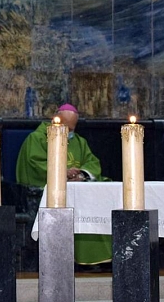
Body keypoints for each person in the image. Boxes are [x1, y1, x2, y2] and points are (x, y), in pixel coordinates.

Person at [16, 103, 112, 267]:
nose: (68, 133)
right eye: (65, 127)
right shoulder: (37, 139)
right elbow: (34, 164)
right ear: (55, 120)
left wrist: (81, 175)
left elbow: (92, 162)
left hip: (78, 189)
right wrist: (62, 173)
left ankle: (98, 259)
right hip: (50, 191)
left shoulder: (80, 142)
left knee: (104, 192)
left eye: (72, 129)